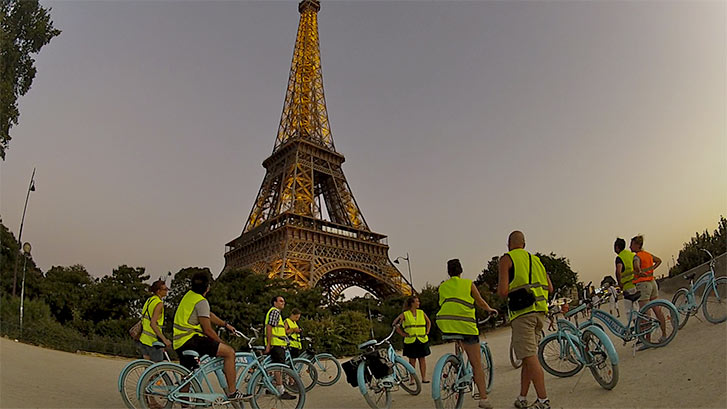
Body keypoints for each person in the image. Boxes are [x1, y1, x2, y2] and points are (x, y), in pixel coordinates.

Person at [497, 231, 553, 409]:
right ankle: (522, 397)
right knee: (528, 358)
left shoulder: (507, 259)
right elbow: (549, 287)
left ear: (508, 244)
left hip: (522, 314)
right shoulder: (536, 260)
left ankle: (543, 400)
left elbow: (503, 291)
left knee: (530, 357)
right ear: (524, 244)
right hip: (540, 313)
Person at [173, 272, 247, 401]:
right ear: (208, 287)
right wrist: (222, 343)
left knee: (187, 375)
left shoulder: (189, 296)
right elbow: (207, 330)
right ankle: (232, 392)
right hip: (191, 339)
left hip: (179, 341)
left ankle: (184, 404)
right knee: (229, 352)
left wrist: (225, 324)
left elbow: (208, 314)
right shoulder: (201, 301)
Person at [436, 258, 498, 409]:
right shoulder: (468, 284)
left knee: (459, 340)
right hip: (466, 326)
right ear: (461, 270)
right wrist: (490, 309)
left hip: (447, 326)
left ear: (448, 272)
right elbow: (480, 302)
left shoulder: (442, 287)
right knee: (477, 364)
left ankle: (457, 366)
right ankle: (483, 398)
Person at [631, 235, 666, 349]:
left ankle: (648, 341)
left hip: (643, 285)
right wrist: (651, 269)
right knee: (657, 309)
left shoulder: (637, 256)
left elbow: (636, 266)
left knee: (645, 313)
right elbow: (659, 260)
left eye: (631, 244)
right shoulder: (648, 255)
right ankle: (664, 334)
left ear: (637, 245)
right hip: (652, 282)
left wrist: (640, 271)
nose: (630, 247)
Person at [394, 295, 432, 383]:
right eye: (417, 301)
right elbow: (395, 323)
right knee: (412, 361)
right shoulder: (405, 314)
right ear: (412, 303)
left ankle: (424, 378)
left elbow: (428, 322)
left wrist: (427, 331)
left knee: (422, 359)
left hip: (422, 339)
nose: (419, 303)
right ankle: (412, 379)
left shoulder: (421, 312)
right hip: (411, 340)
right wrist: (402, 334)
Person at [264, 295, 296, 400]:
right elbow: (269, 327)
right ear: (274, 303)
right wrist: (269, 344)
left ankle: (272, 386)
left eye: (284, 301)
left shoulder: (276, 313)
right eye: (281, 301)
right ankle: (280, 390)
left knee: (275, 366)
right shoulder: (274, 312)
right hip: (276, 344)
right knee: (279, 367)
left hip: (277, 343)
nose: (283, 303)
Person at [138, 279, 171, 362]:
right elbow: (153, 323)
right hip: (153, 341)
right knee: (158, 368)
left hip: (143, 338)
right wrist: (164, 340)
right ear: (158, 291)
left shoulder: (149, 300)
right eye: (165, 289)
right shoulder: (159, 304)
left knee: (149, 369)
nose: (167, 291)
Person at [614, 237, 638, 314]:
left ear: (617, 247)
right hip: (636, 283)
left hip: (627, 286)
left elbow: (618, 271)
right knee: (636, 308)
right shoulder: (631, 254)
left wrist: (620, 283)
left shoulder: (620, 257)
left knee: (630, 310)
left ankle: (637, 325)